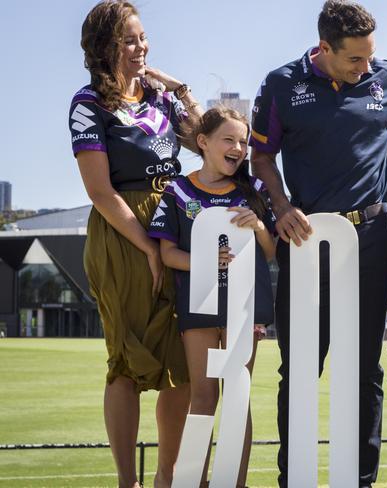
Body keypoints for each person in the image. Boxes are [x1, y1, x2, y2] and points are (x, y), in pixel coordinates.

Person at [249, 1, 387, 486]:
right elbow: (262, 157)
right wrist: (281, 207)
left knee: (365, 372)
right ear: (324, 48)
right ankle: (295, 478)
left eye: (370, 56)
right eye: (355, 59)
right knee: (301, 369)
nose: (366, 67)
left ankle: (361, 480)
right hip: (306, 238)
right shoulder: (280, 84)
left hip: (372, 238)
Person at [69, 2, 203, 486]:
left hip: (176, 226)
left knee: (183, 362)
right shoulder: (88, 104)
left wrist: (181, 90)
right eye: (128, 40)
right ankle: (130, 481)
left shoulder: (160, 100)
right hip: (124, 234)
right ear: (104, 48)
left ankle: (169, 477)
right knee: (125, 362)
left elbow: (214, 143)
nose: (140, 47)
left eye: (142, 37)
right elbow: (99, 191)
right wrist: (149, 247)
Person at [148, 107, 276, 488]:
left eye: (243, 141)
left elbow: (269, 253)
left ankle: (235, 482)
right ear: (203, 143)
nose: (238, 148)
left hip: (245, 304)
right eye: (229, 139)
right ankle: (193, 481)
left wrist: (257, 227)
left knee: (238, 397)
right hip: (199, 304)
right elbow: (168, 254)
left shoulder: (254, 190)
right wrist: (206, 260)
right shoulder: (178, 190)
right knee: (203, 397)